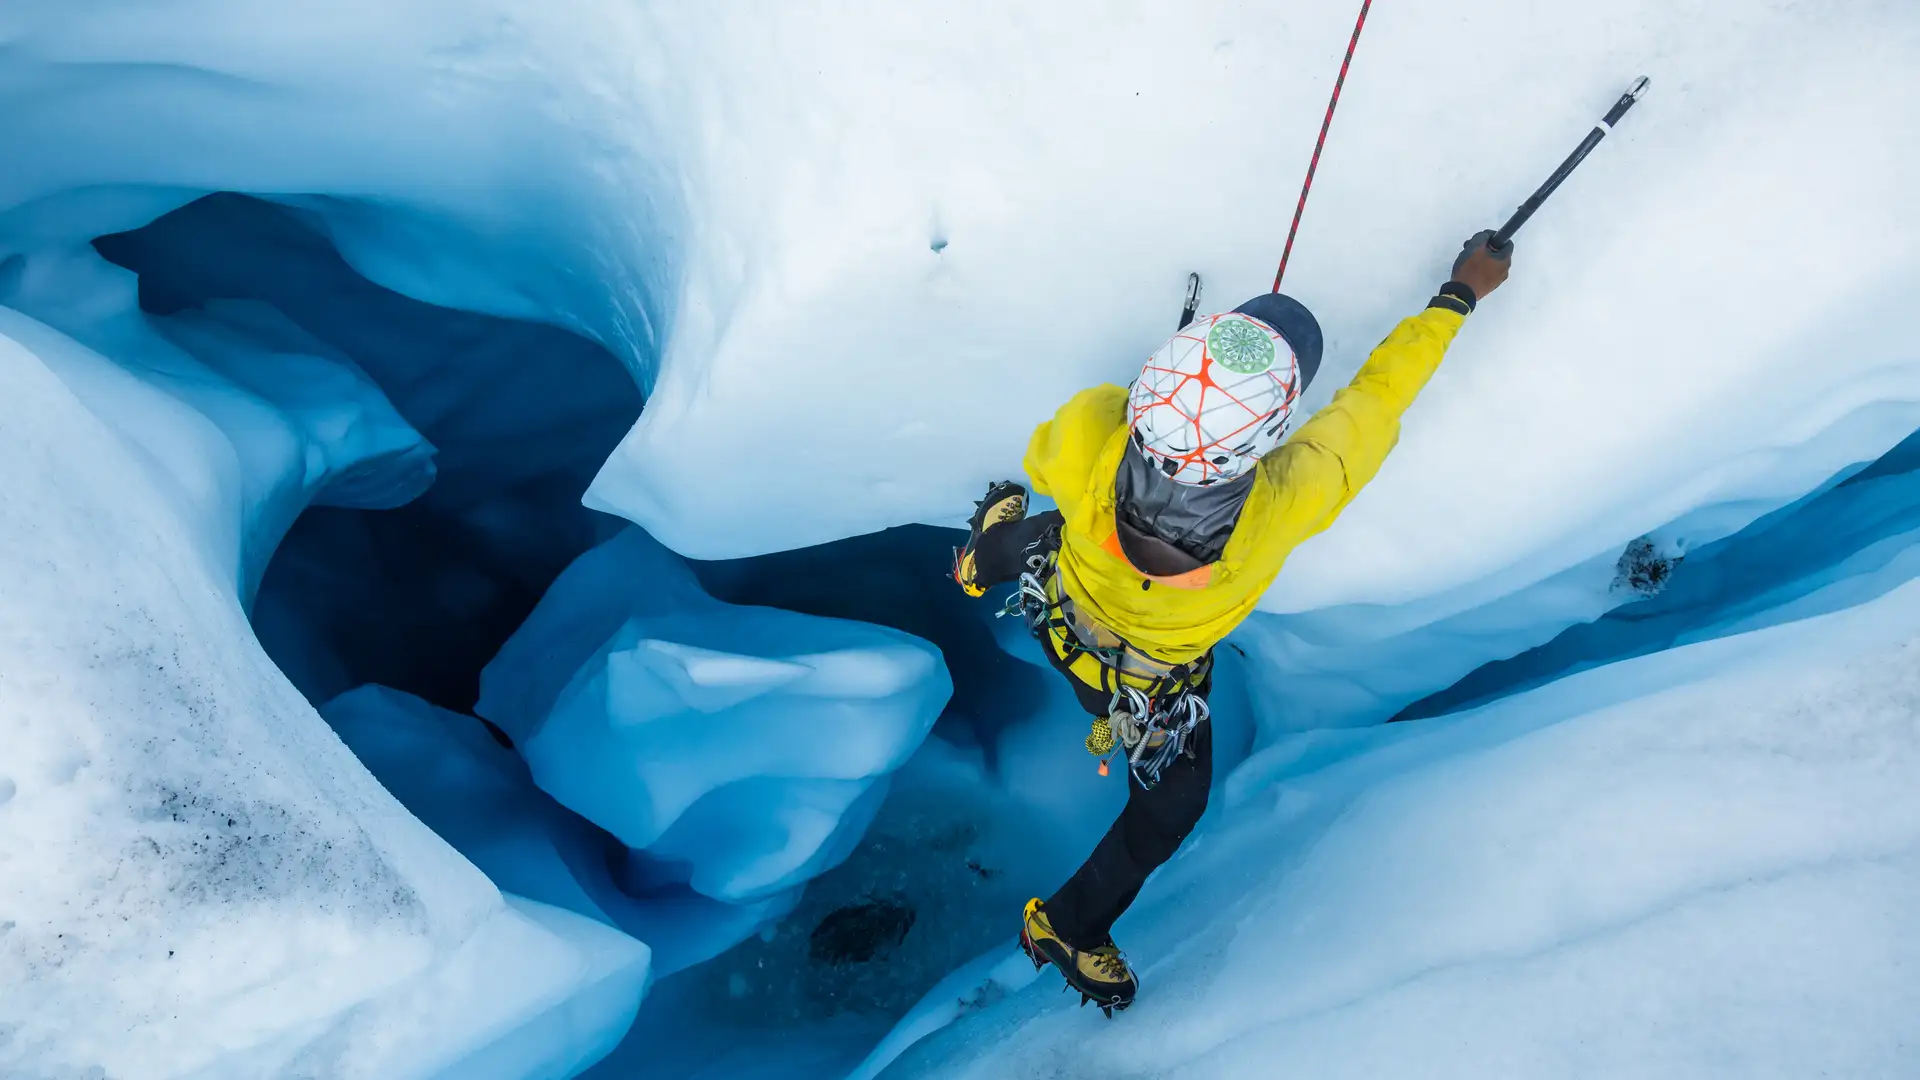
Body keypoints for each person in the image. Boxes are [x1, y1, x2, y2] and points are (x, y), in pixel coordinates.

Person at [949, 232, 1514, 1013]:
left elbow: (1047, 457)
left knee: (1052, 527)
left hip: (1058, 603)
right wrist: (1459, 295)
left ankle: (982, 556)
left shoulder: (1093, 430)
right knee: (1170, 807)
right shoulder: (1284, 505)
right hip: (1141, 689)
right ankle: (1072, 926)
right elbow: (1375, 399)